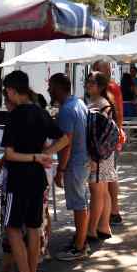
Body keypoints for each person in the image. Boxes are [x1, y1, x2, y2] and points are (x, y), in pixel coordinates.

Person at [0, 71, 63, 272]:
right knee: (34, 227)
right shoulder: (41, 112)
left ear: (13, 92)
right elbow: (66, 137)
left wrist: (36, 156)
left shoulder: (14, 116)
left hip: (19, 179)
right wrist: (46, 153)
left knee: (13, 228)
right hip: (37, 178)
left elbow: (10, 154)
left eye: (7, 92)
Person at [49, 73, 91, 261]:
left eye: (50, 86)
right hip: (83, 160)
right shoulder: (79, 103)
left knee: (78, 204)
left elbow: (67, 142)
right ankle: (80, 241)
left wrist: (61, 170)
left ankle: (80, 246)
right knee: (81, 203)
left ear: (58, 88)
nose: (49, 90)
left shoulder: (67, 109)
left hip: (74, 163)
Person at [92, 60, 125, 226]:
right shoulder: (112, 88)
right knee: (109, 176)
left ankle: (113, 212)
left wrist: (117, 133)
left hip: (107, 140)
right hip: (112, 137)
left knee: (108, 177)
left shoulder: (109, 89)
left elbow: (114, 115)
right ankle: (110, 213)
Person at [85, 72, 117, 243]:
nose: (88, 85)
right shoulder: (101, 103)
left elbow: (97, 135)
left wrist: (93, 156)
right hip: (103, 153)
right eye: (88, 82)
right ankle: (103, 226)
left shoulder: (101, 105)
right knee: (102, 191)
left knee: (97, 191)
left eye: (92, 82)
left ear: (100, 86)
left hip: (98, 154)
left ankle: (91, 229)